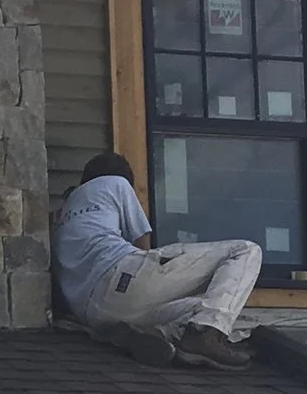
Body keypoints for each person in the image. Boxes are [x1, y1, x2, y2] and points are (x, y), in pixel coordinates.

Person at [53, 149, 260, 369]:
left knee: (202, 310)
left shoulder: (60, 216)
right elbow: (142, 242)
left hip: (93, 314)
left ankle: (153, 335)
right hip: (121, 275)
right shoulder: (115, 183)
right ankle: (206, 336)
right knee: (245, 250)